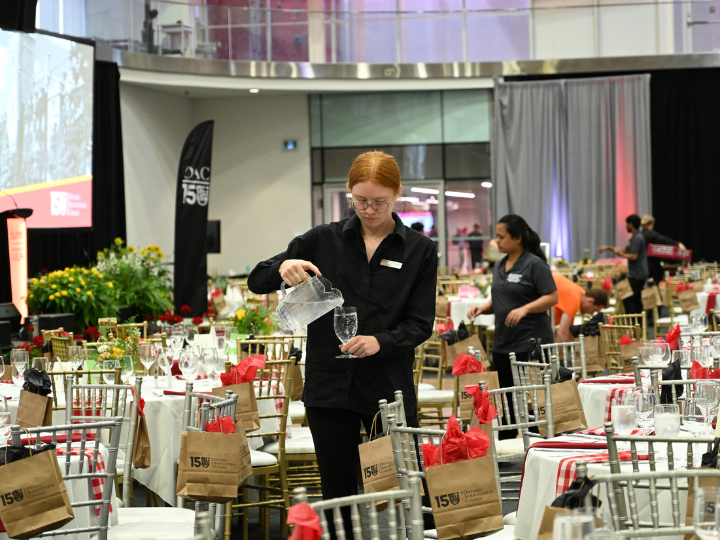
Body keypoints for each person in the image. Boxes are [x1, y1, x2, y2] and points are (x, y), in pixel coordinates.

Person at [248, 150, 437, 537]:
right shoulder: (321, 240)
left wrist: (379, 341)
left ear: (397, 195)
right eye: (360, 200)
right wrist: (282, 269)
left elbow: (420, 324)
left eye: (379, 202)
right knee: (338, 495)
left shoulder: (419, 250)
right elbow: (256, 280)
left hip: (388, 389)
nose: (369, 209)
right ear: (349, 194)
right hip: (330, 387)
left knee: (409, 491)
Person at [466, 214, 558, 439]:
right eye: (496, 236)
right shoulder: (499, 264)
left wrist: (525, 309)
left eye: (501, 236)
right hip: (503, 343)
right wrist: (484, 308)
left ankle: (538, 448)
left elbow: (552, 296)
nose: (497, 241)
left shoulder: (534, 264)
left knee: (532, 401)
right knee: (504, 401)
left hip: (531, 343)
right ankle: (506, 453)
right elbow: (500, 298)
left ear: (517, 238)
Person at [597, 214, 649, 315]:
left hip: (638, 274)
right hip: (639, 274)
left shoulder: (637, 238)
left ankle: (634, 325)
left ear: (631, 224)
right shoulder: (635, 237)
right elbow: (623, 250)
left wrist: (622, 255)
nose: (626, 226)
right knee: (636, 300)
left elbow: (634, 256)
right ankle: (639, 327)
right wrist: (607, 248)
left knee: (627, 297)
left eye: (627, 224)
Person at [552, 273, 608, 343]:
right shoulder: (574, 299)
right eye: (594, 310)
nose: (591, 314)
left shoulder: (577, 292)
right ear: (590, 301)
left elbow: (569, 332)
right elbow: (562, 334)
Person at [640, 214, 687, 284]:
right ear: (651, 223)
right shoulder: (651, 234)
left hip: (641, 265)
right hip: (651, 264)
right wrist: (677, 243)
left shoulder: (639, 234)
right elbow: (663, 241)